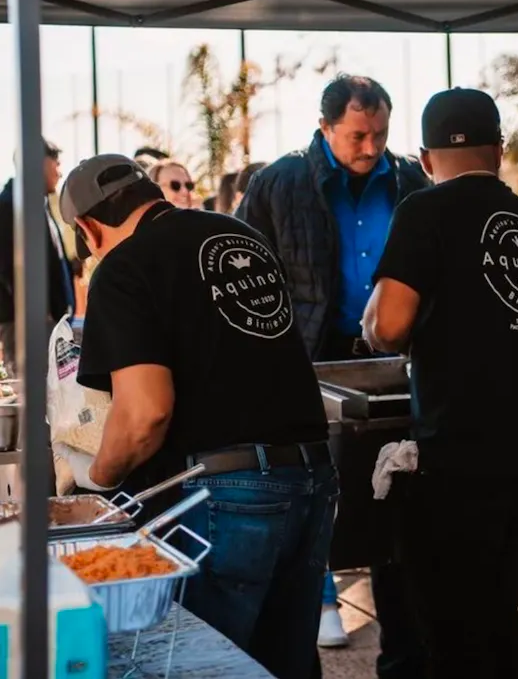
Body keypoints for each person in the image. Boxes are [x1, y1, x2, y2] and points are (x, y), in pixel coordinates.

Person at [53, 154, 337, 679]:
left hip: (227, 494)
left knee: (203, 665)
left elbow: (144, 414)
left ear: (88, 229)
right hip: (312, 477)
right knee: (285, 662)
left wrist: (98, 478)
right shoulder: (239, 235)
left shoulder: (124, 266)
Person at [363, 87, 518, 679]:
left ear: (425, 159)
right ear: (499, 150)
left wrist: (372, 325)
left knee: (452, 636)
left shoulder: (423, 211)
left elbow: (389, 326)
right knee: (499, 617)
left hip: (458, 465)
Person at [237, 74, 428, 675]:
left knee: (396, 502)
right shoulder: (278, 182)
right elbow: (241, 276)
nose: (371, 148)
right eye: (357, 136)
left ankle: (403, 652)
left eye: (380, 134)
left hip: (395, 360)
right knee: (310, 500)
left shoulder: (410, 179)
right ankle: (317, 610)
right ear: (324, 127)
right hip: (306, 361)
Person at [0, 139, 76, 375]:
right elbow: (6, 267)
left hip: (46, 324)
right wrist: (36, 311)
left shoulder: (36, 203)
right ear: (40, 163)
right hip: (27, 325)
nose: (59, 172)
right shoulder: (9, 205)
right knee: (28, 389)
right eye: (56, 163)